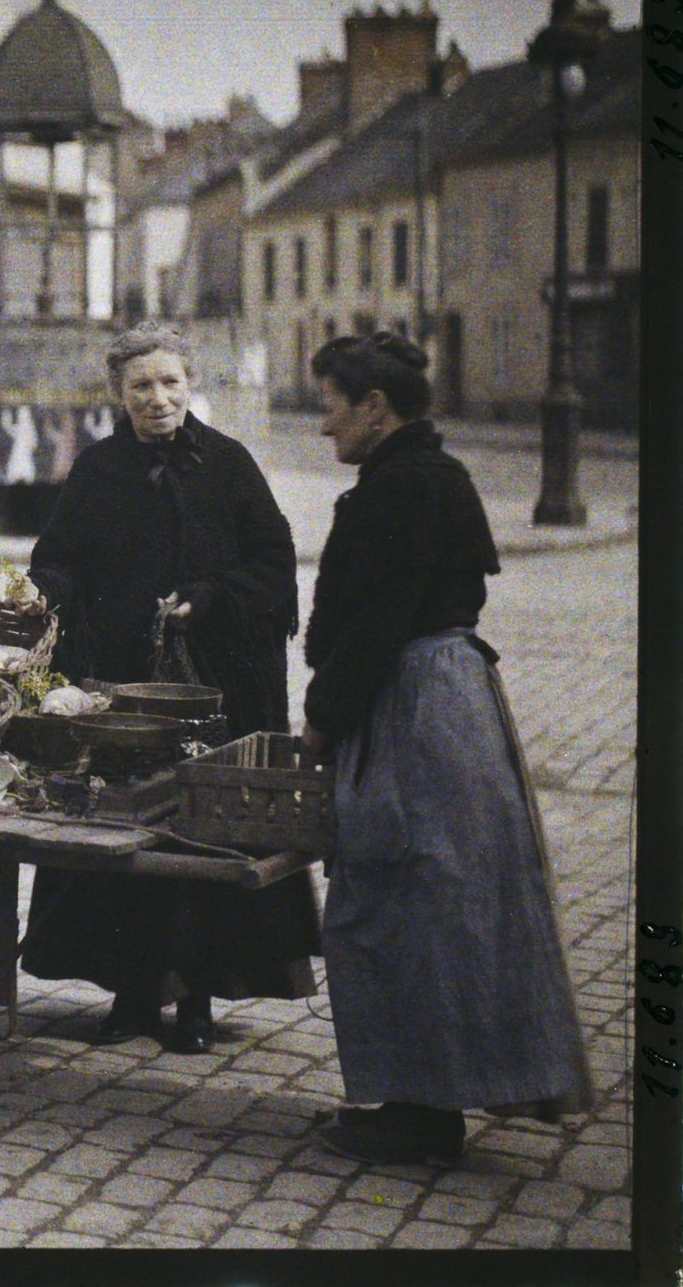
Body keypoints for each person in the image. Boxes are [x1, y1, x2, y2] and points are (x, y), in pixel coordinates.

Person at [302, 333, 591, 1164]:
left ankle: (419, 1111)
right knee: (443, 898)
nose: (324, 426)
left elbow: (374, 627)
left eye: (329, 406)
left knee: (398, 896)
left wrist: (321, 719)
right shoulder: (436, 477)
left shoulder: (397, 492)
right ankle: (430, 1092)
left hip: (413, 706)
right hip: (451, 698)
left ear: (373, 408)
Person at [21, 322, 319, 1054]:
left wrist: (210, 596)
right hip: (122, 685)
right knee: (128, 832)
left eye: (170, 383)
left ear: (191, 384)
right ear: (119, 394)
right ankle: (131, 992)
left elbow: (275, 563)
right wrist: (38, 593)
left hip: (221, 687)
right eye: (141, 386)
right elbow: (59, 558)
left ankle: (198, 999)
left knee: (206, 833)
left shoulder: (229, 464)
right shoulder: (98, 470)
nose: (158, 399)